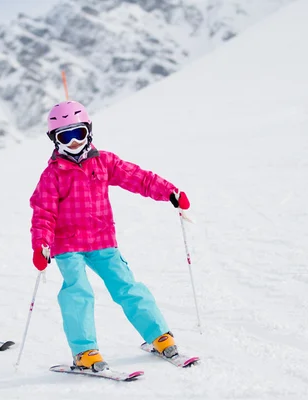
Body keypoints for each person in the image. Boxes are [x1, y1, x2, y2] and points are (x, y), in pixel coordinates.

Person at [29, 100, 191, 371]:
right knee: (78, 292)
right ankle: (85, 352)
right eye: (64, 137)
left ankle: (158, 336)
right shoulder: (52, 174)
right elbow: (43, 212)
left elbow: (139, 178)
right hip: (67, 245)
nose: (72, 143)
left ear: (88, 131)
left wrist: (170, 192)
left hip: (102, 240)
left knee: (128, 287)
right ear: (53, 139)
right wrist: (41, 244)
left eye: (77, 134)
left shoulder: (104, 162)